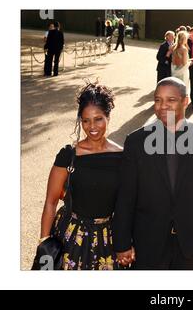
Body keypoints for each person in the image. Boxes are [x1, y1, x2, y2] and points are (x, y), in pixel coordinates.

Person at [113, 77, 193, 270]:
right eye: (157, 100)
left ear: (185, 101)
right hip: (147, 245)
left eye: (170, 100)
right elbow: (126, 197)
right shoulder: (136, 142)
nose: (162, 106)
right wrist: (122, 243)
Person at [38, 82, 132, 270]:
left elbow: (127, 206)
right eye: (86, 120)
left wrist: (128, 242)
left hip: (108, 239)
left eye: (98, 119)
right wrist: (44, 243)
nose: (92, 127)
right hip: (69, 236)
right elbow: (51, 201)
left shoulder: (122, 157)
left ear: (108, 118)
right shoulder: (69, 155)